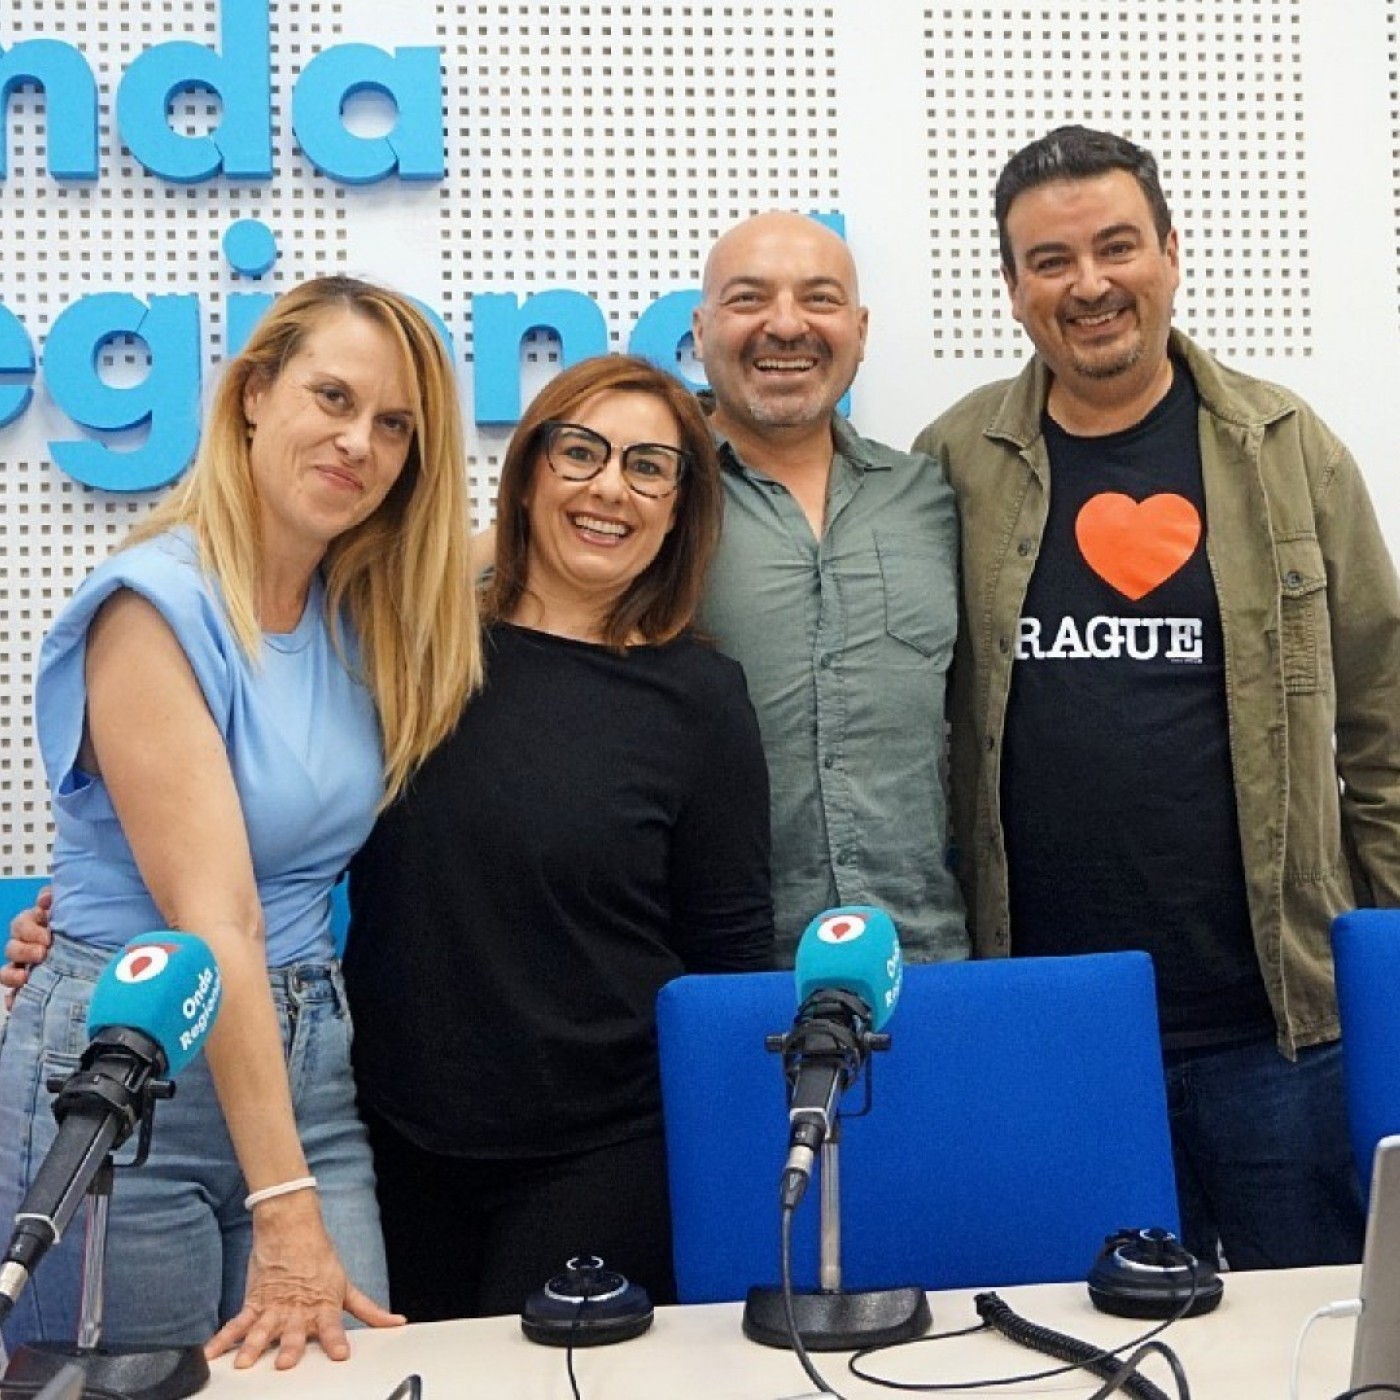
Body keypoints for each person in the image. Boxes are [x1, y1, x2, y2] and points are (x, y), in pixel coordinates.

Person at [914, 124, 1400, 1269]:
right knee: (1084, 1343)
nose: (1087, 283)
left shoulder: (1288, 449)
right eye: (1049, 260)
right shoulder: (953, 462)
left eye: (1115, 246)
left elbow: (1381, 724)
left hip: (1277, 1033)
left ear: (1169, 253)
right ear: (1011, 287)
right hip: (1052, 1030)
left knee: (1307, 1333)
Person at [0, 275, 482, 1366]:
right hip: (131, 1074)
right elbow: (216, 919)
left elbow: (520, 546)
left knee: (343, 1375)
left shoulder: (361, 606)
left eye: (394, 425)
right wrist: (283, 1204)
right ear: (254, 394)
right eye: (333, 397)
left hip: (306, 1070)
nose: (359, 442)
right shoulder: (151, 607)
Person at [342, 354, 774, 1320]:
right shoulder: (413, 646)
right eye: (580, 452)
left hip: (602, 1151)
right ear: (530, 470)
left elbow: (729, 955)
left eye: (649, 468)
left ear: (680, 508)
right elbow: (277, 826)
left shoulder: (703, 701)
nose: (610, 487)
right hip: (393, 1139)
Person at [691, 210, 966, 964]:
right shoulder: (653, 497)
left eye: (819, 299)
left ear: (860, 329)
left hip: (923, 957)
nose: (787, 326)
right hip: (730, 967)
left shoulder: (931, 497)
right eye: (749, 299)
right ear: (702, 329)